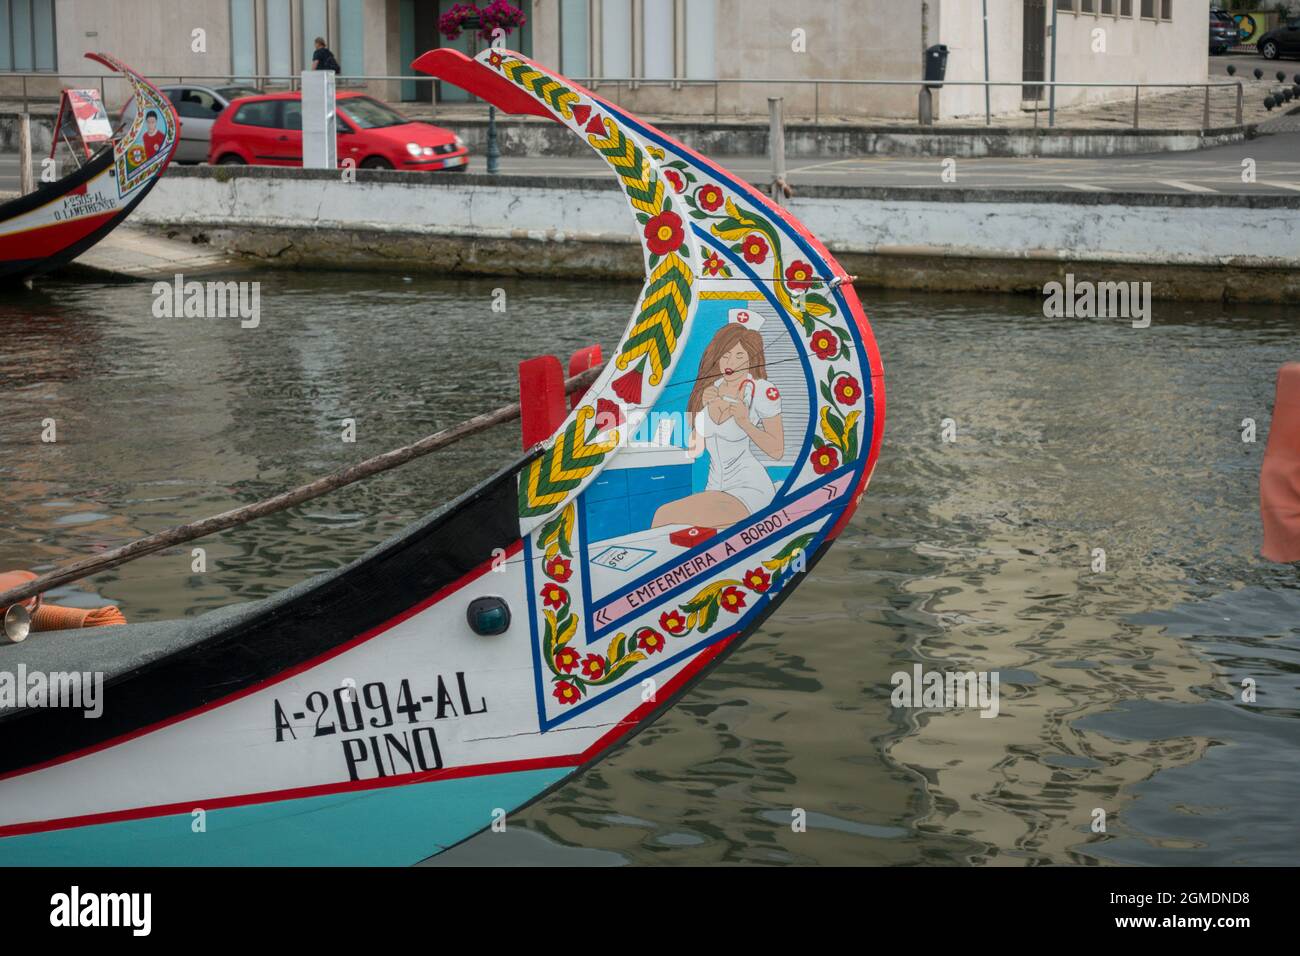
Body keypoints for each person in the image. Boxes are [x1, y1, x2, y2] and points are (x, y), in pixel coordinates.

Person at [652, 320, 784, 529]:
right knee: (674, 526)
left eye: (740, 355)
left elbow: (776, 451)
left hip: (748, 489)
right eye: (726, 355)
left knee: (664, 516)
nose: (731, 362)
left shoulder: (760, 390)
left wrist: (745, 422)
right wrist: (703, 405)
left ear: (752, 359)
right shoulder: (712, 388)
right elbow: (695, 450)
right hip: (714, 488)